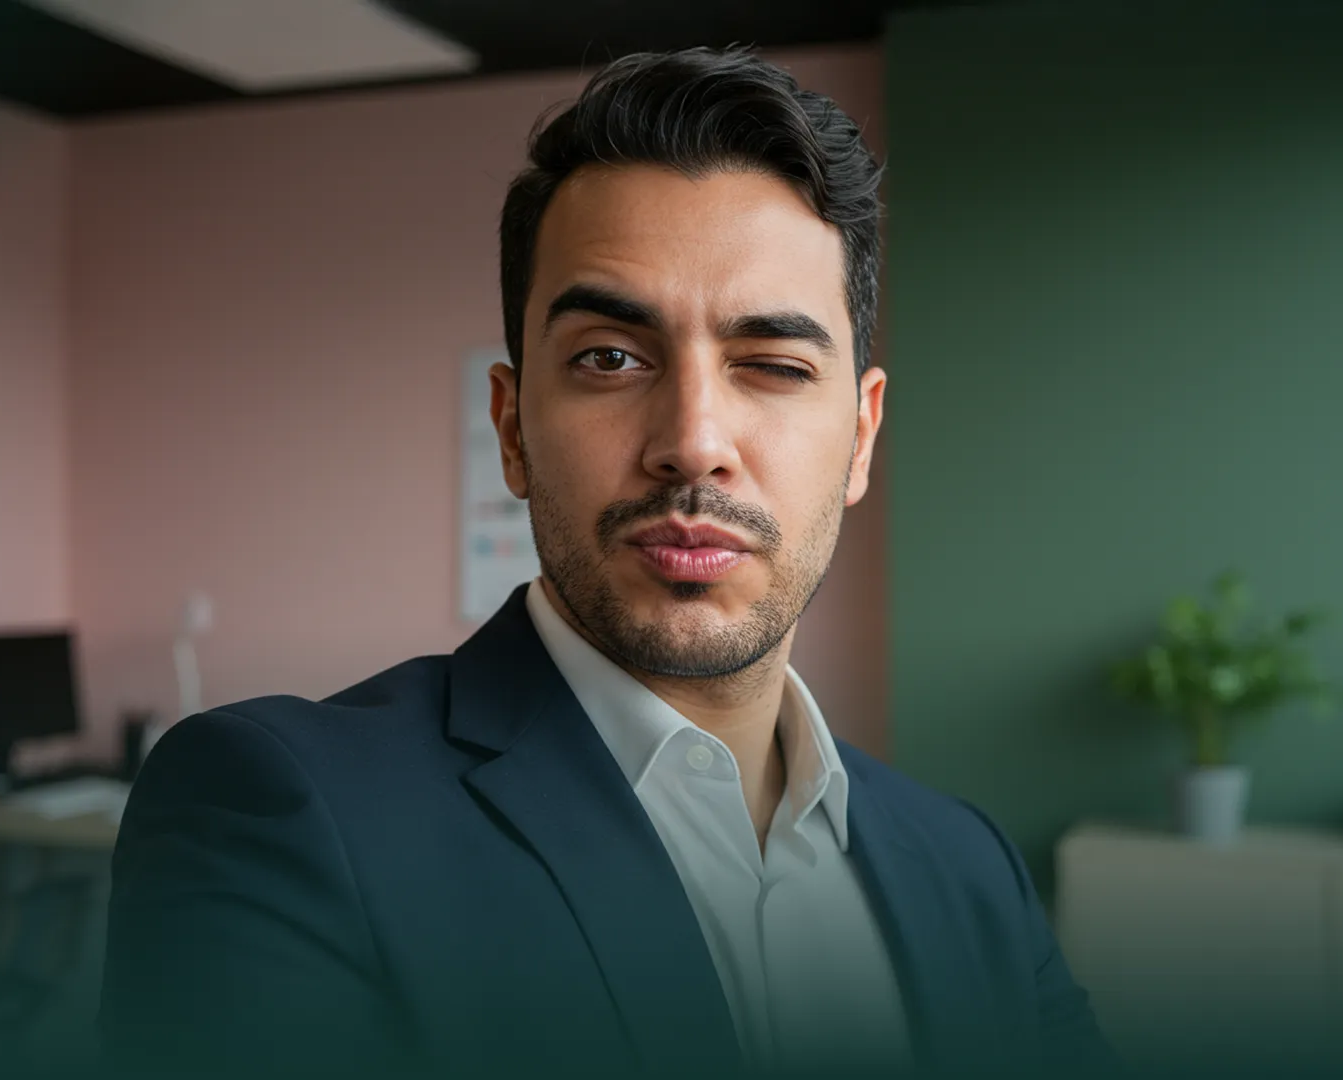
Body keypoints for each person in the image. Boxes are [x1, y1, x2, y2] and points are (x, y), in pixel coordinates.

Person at [100, 46, 1111, 1079]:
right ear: (512, 429)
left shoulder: (970, 867)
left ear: (859, 438)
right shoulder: (280, 812)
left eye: (773, 366)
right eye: (610, 358)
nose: (693, 439)